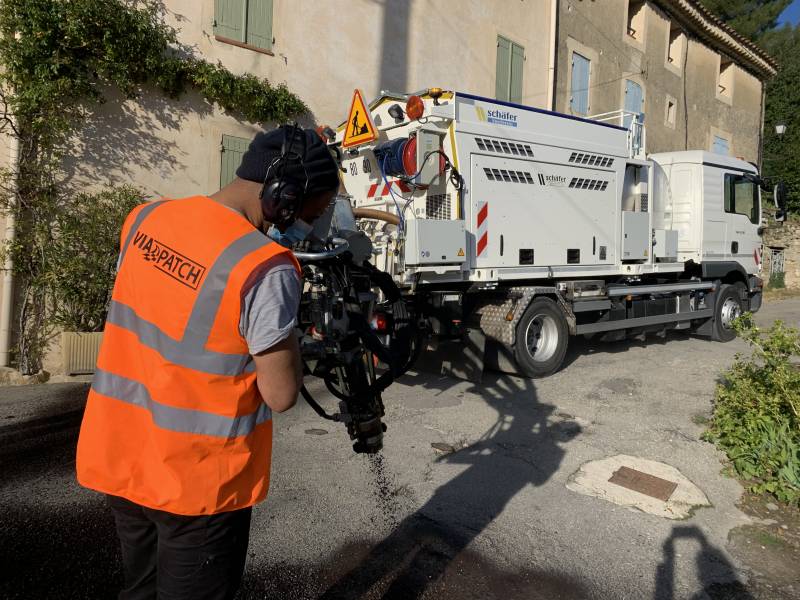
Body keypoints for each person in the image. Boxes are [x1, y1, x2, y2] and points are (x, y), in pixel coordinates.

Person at [76, 125, 341, 599]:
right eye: (310, 213)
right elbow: (280, 395)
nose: (305, 226)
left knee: (140, 591)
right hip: (198, 486)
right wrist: (295, 340)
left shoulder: (144, 218)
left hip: (124, 457)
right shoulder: (265, 265)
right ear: (283, 196)